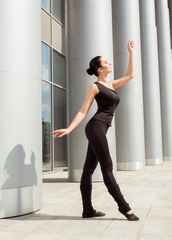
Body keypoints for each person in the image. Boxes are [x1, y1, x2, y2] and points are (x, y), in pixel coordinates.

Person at [53, 40, 139, 221]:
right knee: (107, 167)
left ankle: (88, 210)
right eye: (106, 62)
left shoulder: (111, 85)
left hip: (100, 128)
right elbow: (83, 110)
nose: (109, 63)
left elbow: (130, 75)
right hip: (96, 127)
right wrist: (69, 128)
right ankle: (125, 208)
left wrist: (130, 53)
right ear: (99, 69)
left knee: (88, 170)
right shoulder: (94, 86)